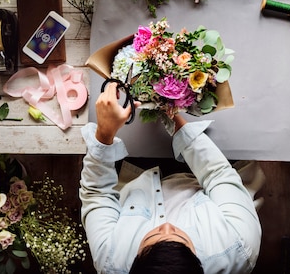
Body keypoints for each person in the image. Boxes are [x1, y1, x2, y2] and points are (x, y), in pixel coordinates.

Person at [79, 82, 264, 273]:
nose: (166, 225)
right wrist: (171, 113)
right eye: (182, 237)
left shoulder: (111, 261)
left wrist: (104, 133)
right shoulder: (239, 245)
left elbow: (96, 194)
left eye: (152, 236)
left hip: (134, 172)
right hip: (206, 173)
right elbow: (217, 174)